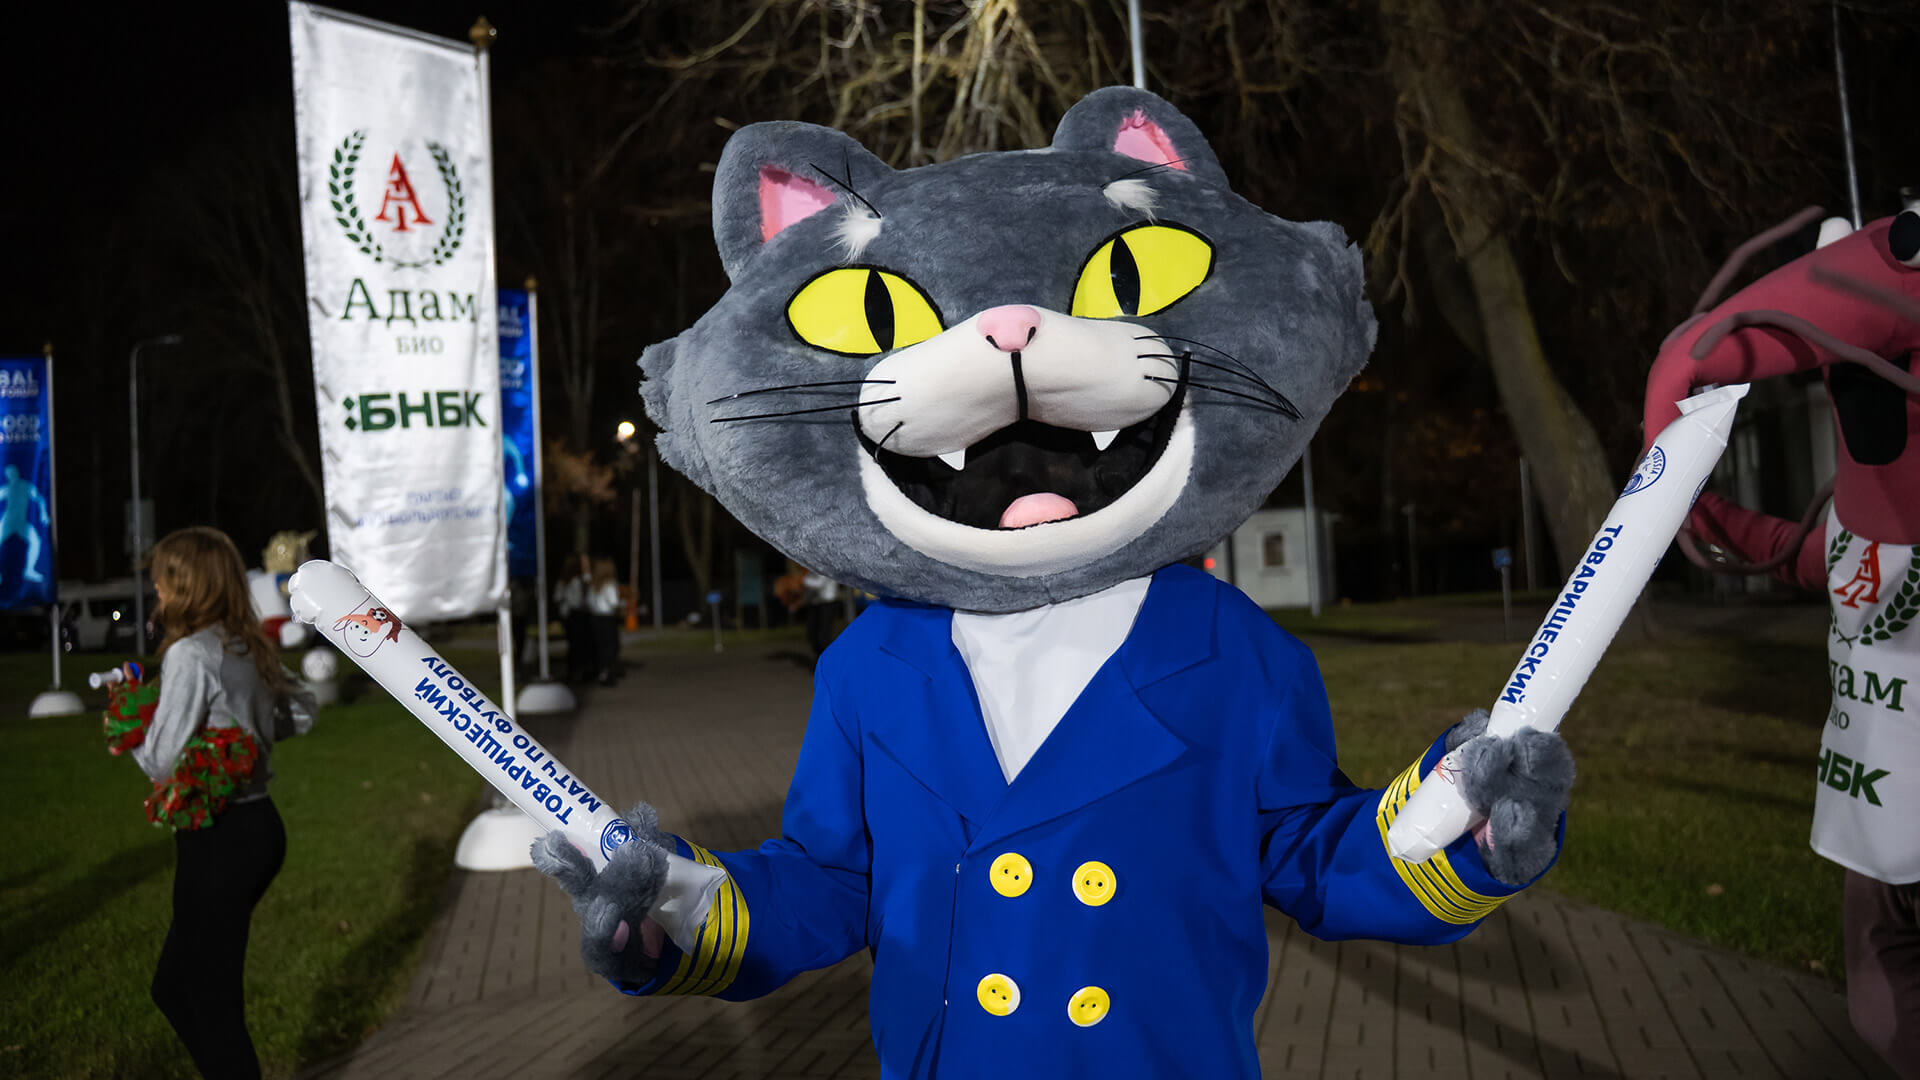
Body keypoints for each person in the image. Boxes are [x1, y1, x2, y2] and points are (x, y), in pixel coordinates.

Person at [131, 527, 306, 1080]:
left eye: (162, 583)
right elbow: (302, 711)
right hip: (257, 827)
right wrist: (248, 734)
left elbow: (160, 761)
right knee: (179, 987)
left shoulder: (190, 653)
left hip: (218, 836)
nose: (157, 593)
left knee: (208, 1000)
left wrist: (128, 719)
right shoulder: (246, 642)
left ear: (187, 586)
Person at [587, 556, 623, 686]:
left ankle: (600, 671)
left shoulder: (593, 585)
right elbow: (614, 602)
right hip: (608, 619)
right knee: (611, 646)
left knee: (599, 646)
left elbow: (589, 602)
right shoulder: (610, 584)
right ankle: (607, 672)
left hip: (595, 618)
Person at [556, 554, 591, 684]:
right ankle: (578, 672)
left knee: (574, 645)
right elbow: (579, 601)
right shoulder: (577, 581)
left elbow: (557, 597)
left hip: (569, 615)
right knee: (578, 645)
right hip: (577, 615)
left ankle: (574, 671)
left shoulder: (563, 581)